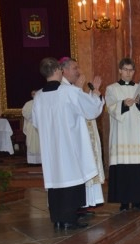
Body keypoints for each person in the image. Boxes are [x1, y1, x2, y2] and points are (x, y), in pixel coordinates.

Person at [31, 57, 104, 229]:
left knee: (55, 182)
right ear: (58, 70)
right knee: (72, 179)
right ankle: (70, 219)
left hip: (51, 149)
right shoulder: (69, 92)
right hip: (70, 146)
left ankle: (58, 220)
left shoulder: (39, 96)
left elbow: (36, 122)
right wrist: (96, 94)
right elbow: (91, 110)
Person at [105, 57, 140, 212]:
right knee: (123, 166)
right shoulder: (111, 89)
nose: (128, 73)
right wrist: (123, 104)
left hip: (137, 132)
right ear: (120, 70)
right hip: (121, 132)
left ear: (134, 72)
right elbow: (110, 107)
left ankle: (138, 200)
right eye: (125, 70)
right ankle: (124, 201)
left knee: (138, 166)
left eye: (131, 70)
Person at [59, 57, 105, 212]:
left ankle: (83, 204)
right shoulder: (64, 89)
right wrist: (85, 91)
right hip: (71, 140)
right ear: (64, 70)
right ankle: (76, 207)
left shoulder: (72, 88)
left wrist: (93, 93)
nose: (78, 72)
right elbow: (87, 110)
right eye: (75, 68)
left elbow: (87, 109)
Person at [21, 90, 41, 164]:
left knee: (40, 142)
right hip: (31, 126)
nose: (34, 95)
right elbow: (24, 112)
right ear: (31, 95)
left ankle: (40, 160)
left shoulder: (42, 102)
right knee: (31, 141)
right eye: (33, 94)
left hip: (40, 125)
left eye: (35, 93)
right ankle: (32, 161)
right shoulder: (28, 103)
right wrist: (32, 119)